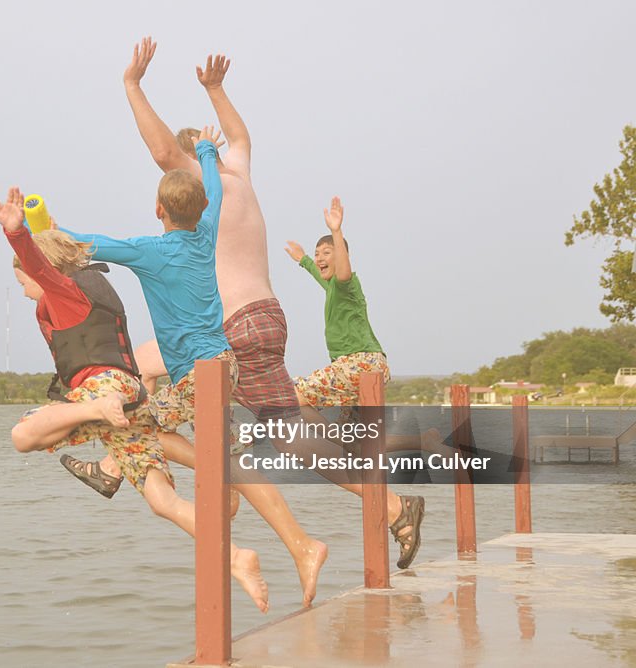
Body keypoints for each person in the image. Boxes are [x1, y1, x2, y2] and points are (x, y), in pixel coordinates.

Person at [63, 39, 423, 579]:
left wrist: (133, 86)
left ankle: (130, 464)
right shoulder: (240, 177)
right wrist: (215, 89)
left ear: (190, 172)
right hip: (267, 319)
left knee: (137, 380)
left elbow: (166, 154)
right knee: (287, 430)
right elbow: (240, 137)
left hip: (231, 330)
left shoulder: (204, 192)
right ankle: (393, 507)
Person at [0, 186, 270, 612]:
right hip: (129, 394)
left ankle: (91, 412)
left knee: (24, 435)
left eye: (22, 281)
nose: (24, 289)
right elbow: (53, 259)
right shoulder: (93, 285)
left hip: (102, 395)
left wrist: (16, 232)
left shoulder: (63, 294)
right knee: (162, 500)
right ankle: (236, 557)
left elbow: (42, 267)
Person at [284, 197, 389, 413]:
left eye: (326, 253)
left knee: (292, 396)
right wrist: (303, 258)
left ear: (341, 257)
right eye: (317, 253)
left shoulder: (346, 284)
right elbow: (317, 272)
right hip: (364, 366)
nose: (320, 258)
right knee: (359, 438)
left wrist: (336, 231)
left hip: (360, 363)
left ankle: (245, 437)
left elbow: (343, 270)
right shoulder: (332, 285)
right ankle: (425, 441)